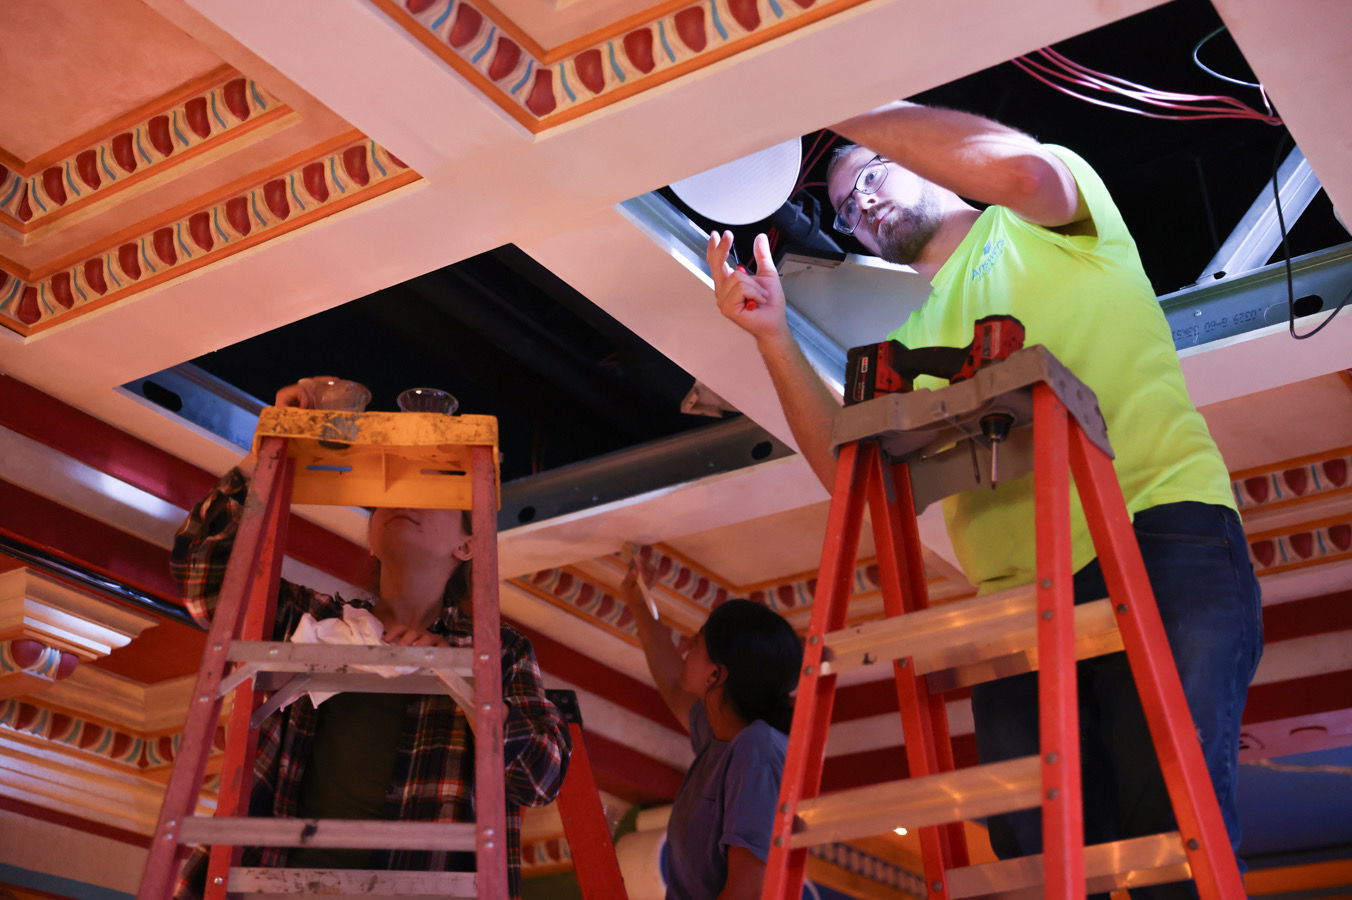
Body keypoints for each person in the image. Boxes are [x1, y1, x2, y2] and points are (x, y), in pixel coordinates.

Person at [707, 101, 1262, 898]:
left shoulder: (1049, 223)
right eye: (840, 206)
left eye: (870, 171)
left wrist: (835, 99)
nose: (856, 200)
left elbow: (1018, 171)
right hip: (1017, 609)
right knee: (1036, 857)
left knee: (1169, 834)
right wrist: (773, 338)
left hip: (1156, 538)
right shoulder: (921, 340)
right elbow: (852, 482)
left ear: (927, 159)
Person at [171, 379, 570, 900]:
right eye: (393, 491)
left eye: (431, 485)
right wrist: (267, 453)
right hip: (274, 885)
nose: (405, 496)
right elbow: (204, 582)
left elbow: (539, 778)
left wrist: (461, 676)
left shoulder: (497, 651)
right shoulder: (311, 620)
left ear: (470, 544)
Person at [620, 555, 803, 900]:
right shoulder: (723, 740)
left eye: (698, 640)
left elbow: (748, 890)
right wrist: (640, 605)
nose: (688, 644)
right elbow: (674, 688)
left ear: (717, 674)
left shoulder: (756, 747)